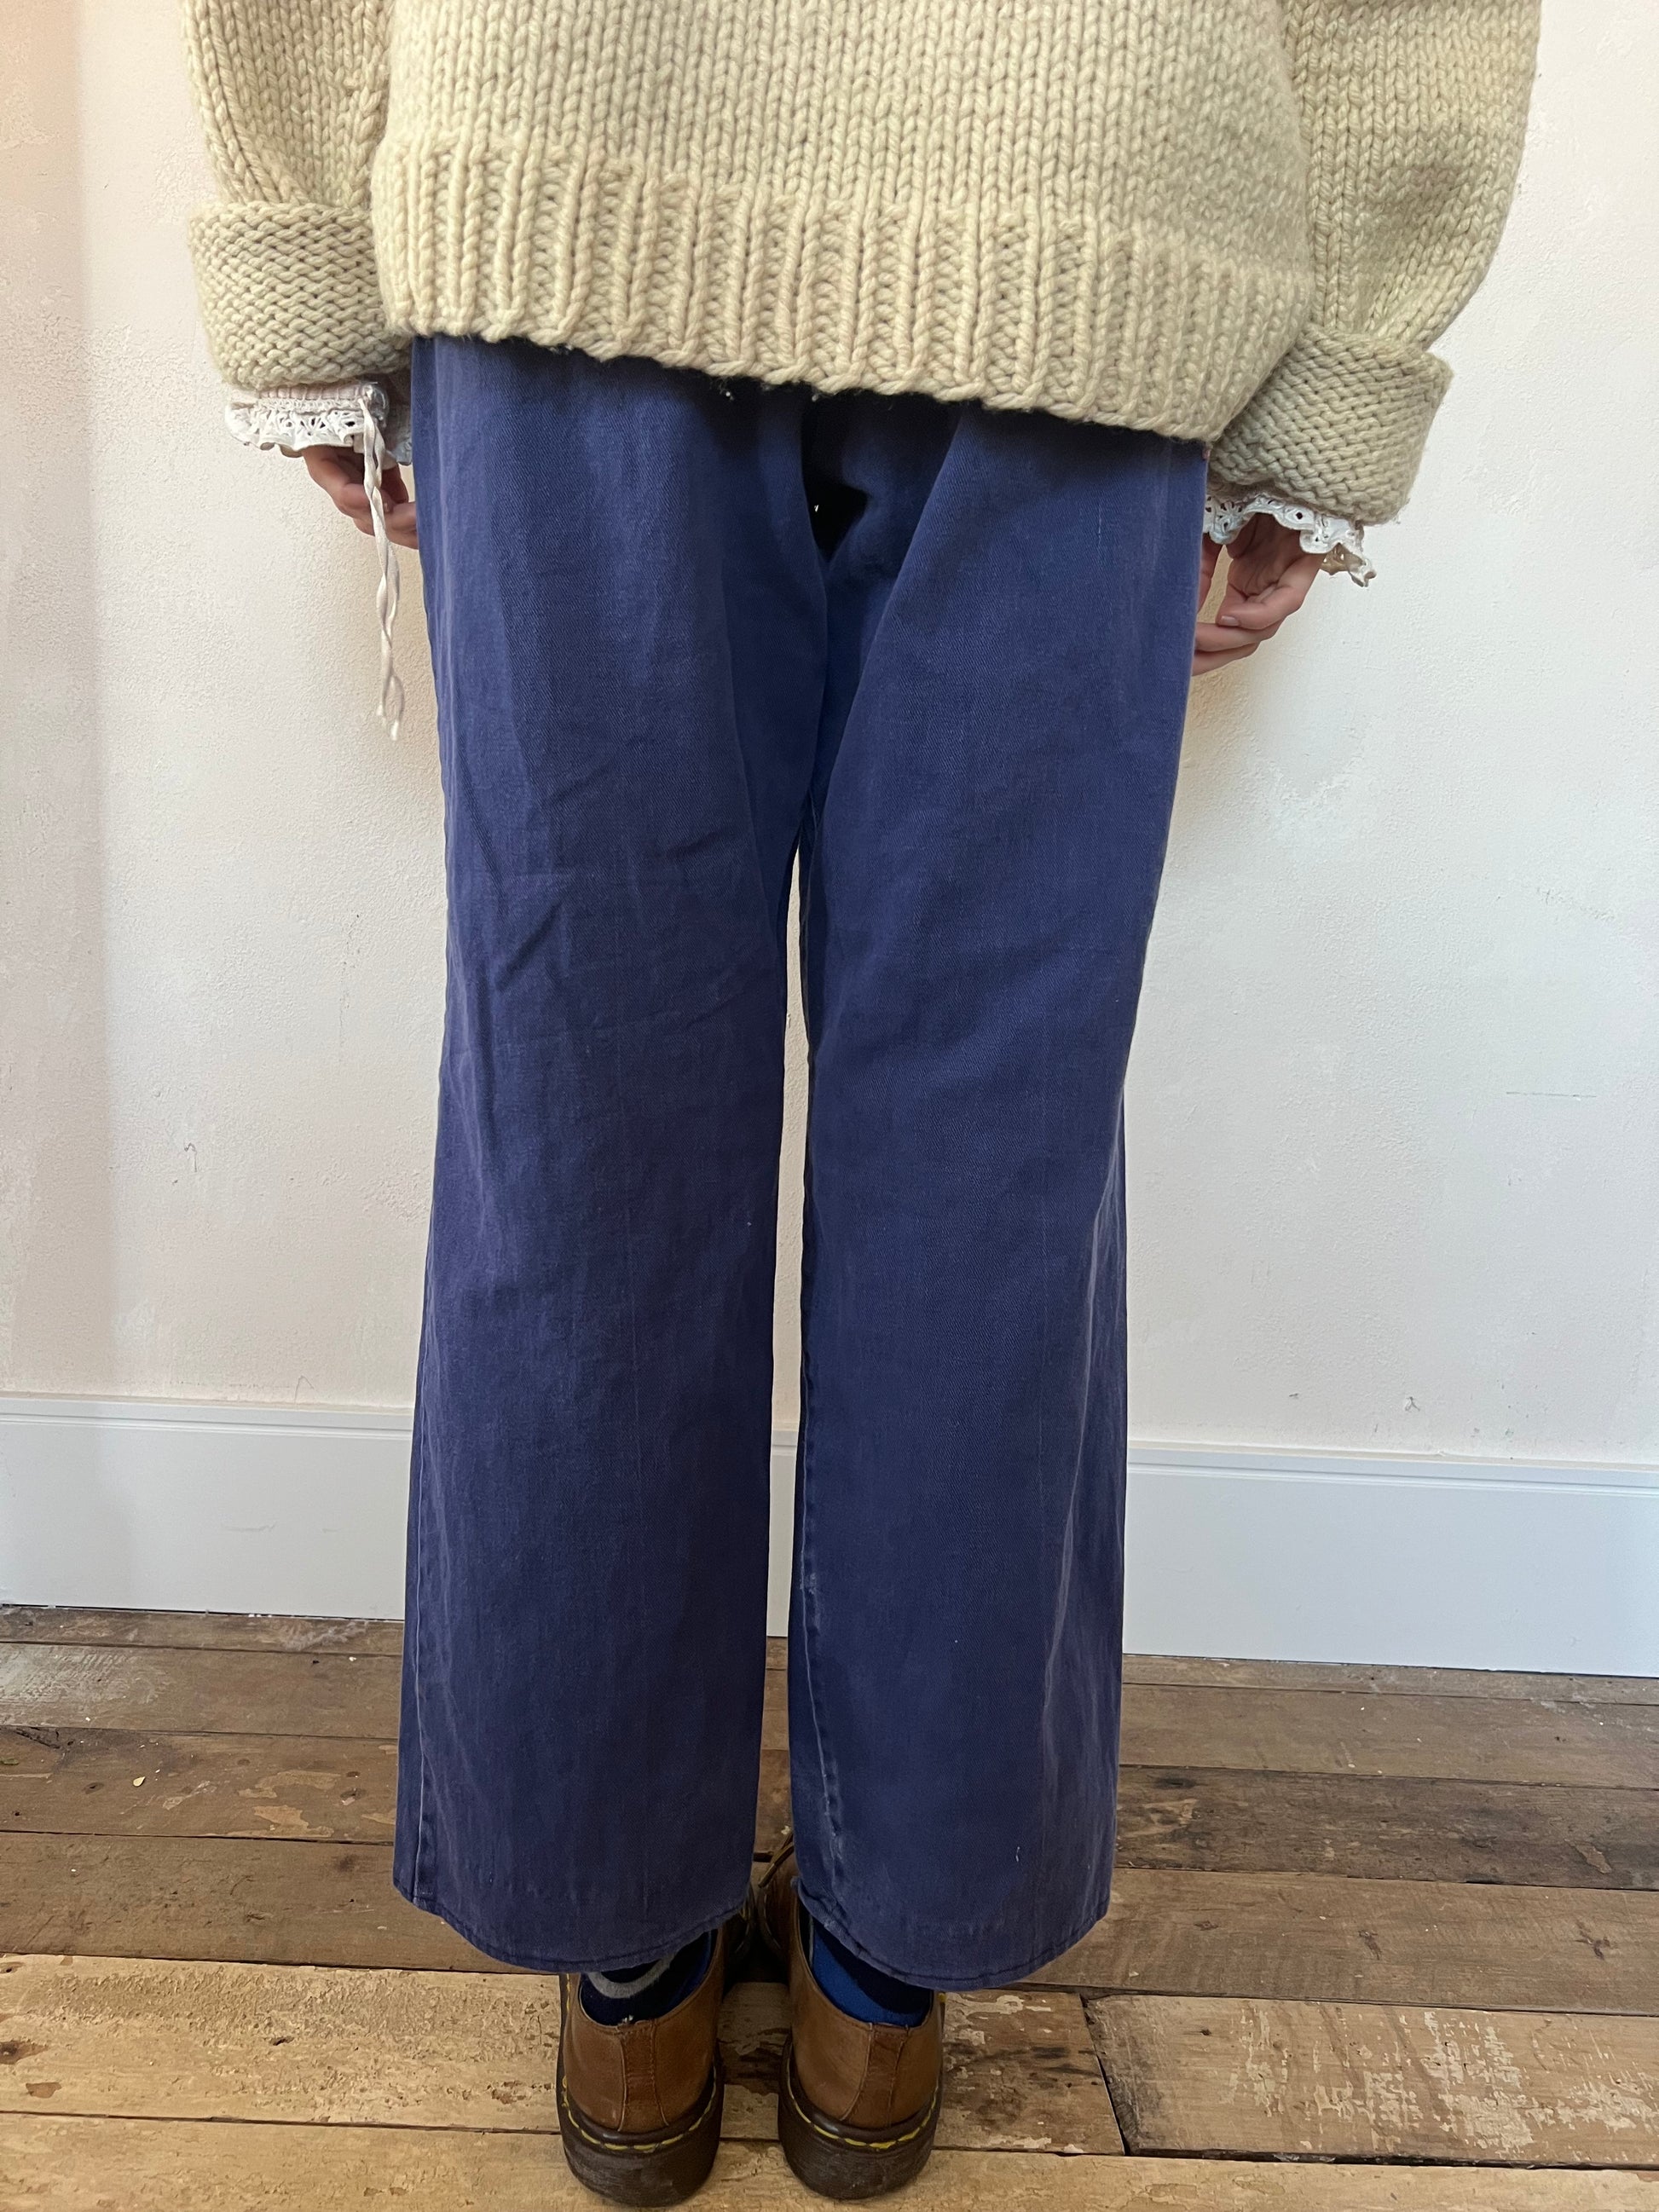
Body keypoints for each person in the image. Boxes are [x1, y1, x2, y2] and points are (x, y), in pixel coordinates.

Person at [182, 3, 1539, 2199]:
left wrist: (312, 263)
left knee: (588, 1130)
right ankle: (879, 1998)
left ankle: (631, 1982)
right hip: (1090, 192)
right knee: (985, 1163)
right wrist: (1336, 378)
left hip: (570, 152)